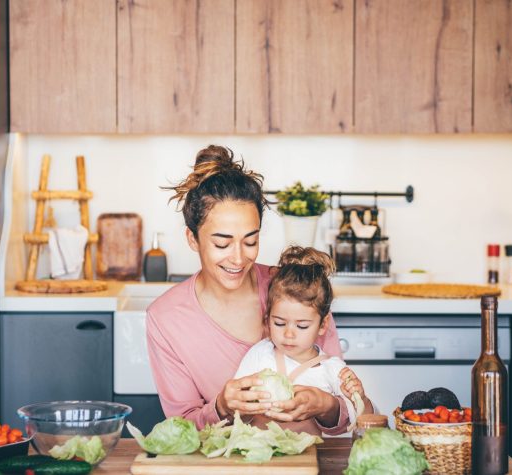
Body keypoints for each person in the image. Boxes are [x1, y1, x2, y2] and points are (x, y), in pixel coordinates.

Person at [146, 145, 362, 434]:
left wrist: (325, 404)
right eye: (222, 243)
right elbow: (181, 428)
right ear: (192, 239)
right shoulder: (166, 318)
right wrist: (221, 406)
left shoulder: (297, 288)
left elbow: (344, 417)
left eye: (250, 241)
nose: (238, 258)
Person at [233, 246, 373, 435]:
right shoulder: (260, 353)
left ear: (323, 325)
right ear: (267, 318)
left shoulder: (332, 368)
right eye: (280, 323)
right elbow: (236, 402)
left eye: (302, 326)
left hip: (307, 460)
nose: (289, 334)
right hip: (258, 458)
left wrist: (360, 397)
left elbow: (362, 417)